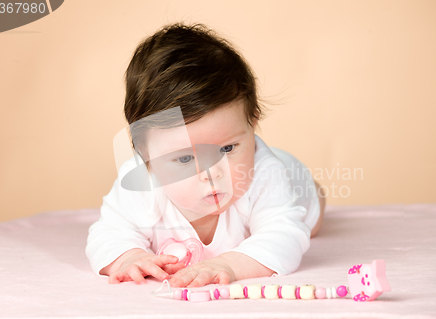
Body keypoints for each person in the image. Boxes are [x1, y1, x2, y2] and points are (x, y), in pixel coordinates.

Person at [86, 22, 326, 288]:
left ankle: (314, 192)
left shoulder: (265, 174)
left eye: (227, 149)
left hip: (292, 177)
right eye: (186, 159)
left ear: (252, 124)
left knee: (308, 219)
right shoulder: (139, 184)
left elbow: (284, 236)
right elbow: (108, 232)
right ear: (146, 156)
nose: (212, 173)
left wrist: (228, 265)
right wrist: (130, 257)